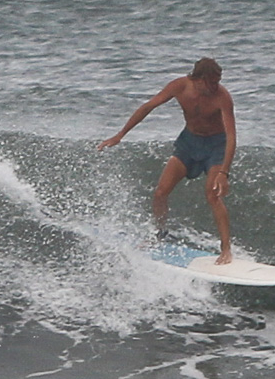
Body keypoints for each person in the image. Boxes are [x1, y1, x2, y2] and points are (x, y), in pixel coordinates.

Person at [97, 57, 236, 264]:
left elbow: (232, 136)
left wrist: (224, 172)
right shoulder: (179, 86)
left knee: (213, 195)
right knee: (161, 192)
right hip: (189, 143)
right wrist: (120, 135)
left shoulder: (222, 97)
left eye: (218, 81)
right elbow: (148, 107)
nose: (216, 87)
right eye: (212, 82)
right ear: (198, 79)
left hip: (216, 146)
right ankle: (160, 235)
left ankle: (226, 250)